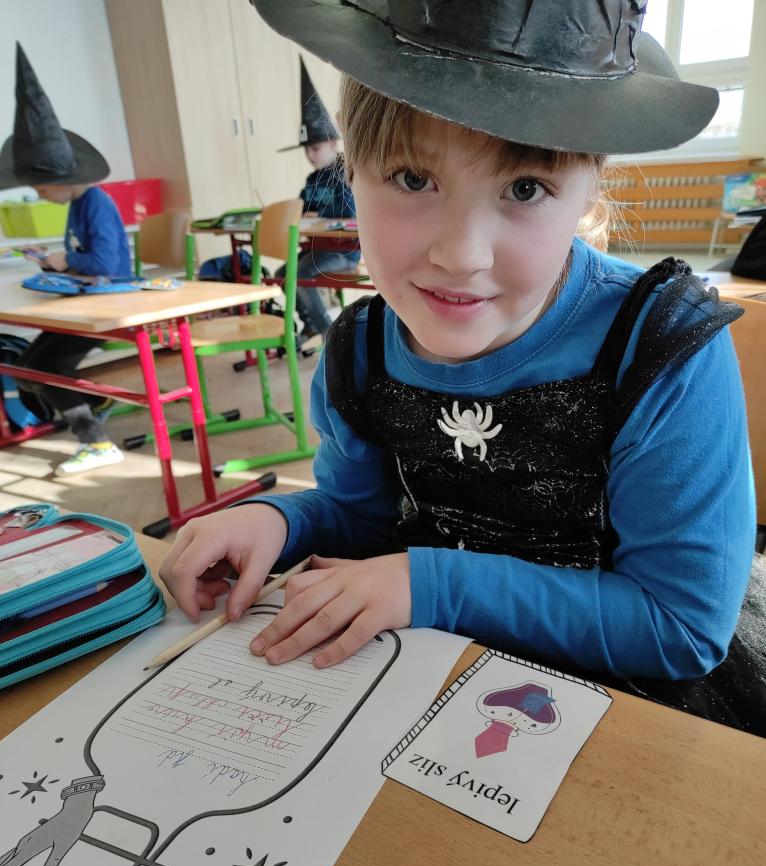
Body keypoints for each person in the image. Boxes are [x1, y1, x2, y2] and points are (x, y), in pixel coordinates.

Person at [161, 0, 763, 735]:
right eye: (413, 178)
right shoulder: (360, 350)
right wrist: (279, 521)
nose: (461, 255)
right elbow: (360, 516)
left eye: (524, 188)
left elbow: (680, 625)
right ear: (352, 170)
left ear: (589, 188)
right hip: (422, 681)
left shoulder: (659, 348)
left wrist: (430, 584)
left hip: (629, 708)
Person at [0, 45, 130, 474]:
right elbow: (83, 258)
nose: (39, 195)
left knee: (46, 365)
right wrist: (54, 261)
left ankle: (96, 442)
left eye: (41, 188)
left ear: (62, 178)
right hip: (86, 300)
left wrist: (64, 259)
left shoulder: (96, 203)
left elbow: (104, 264)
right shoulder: (76, 205)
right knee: (27, 367)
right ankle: (90, 403)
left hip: (112, 304)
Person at [276, 57, 362, 348]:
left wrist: (319, 218)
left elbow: (350, 215)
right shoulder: (312, 180)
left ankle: (328, 332)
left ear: (333, 143)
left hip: (343, 250)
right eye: (306, 150)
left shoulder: (344, 174)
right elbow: (301, 209)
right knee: (281, 274)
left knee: (299, 273)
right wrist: (302, 215)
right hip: (316, 247)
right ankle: (312, 323)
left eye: (315, 148)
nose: (310, 155)